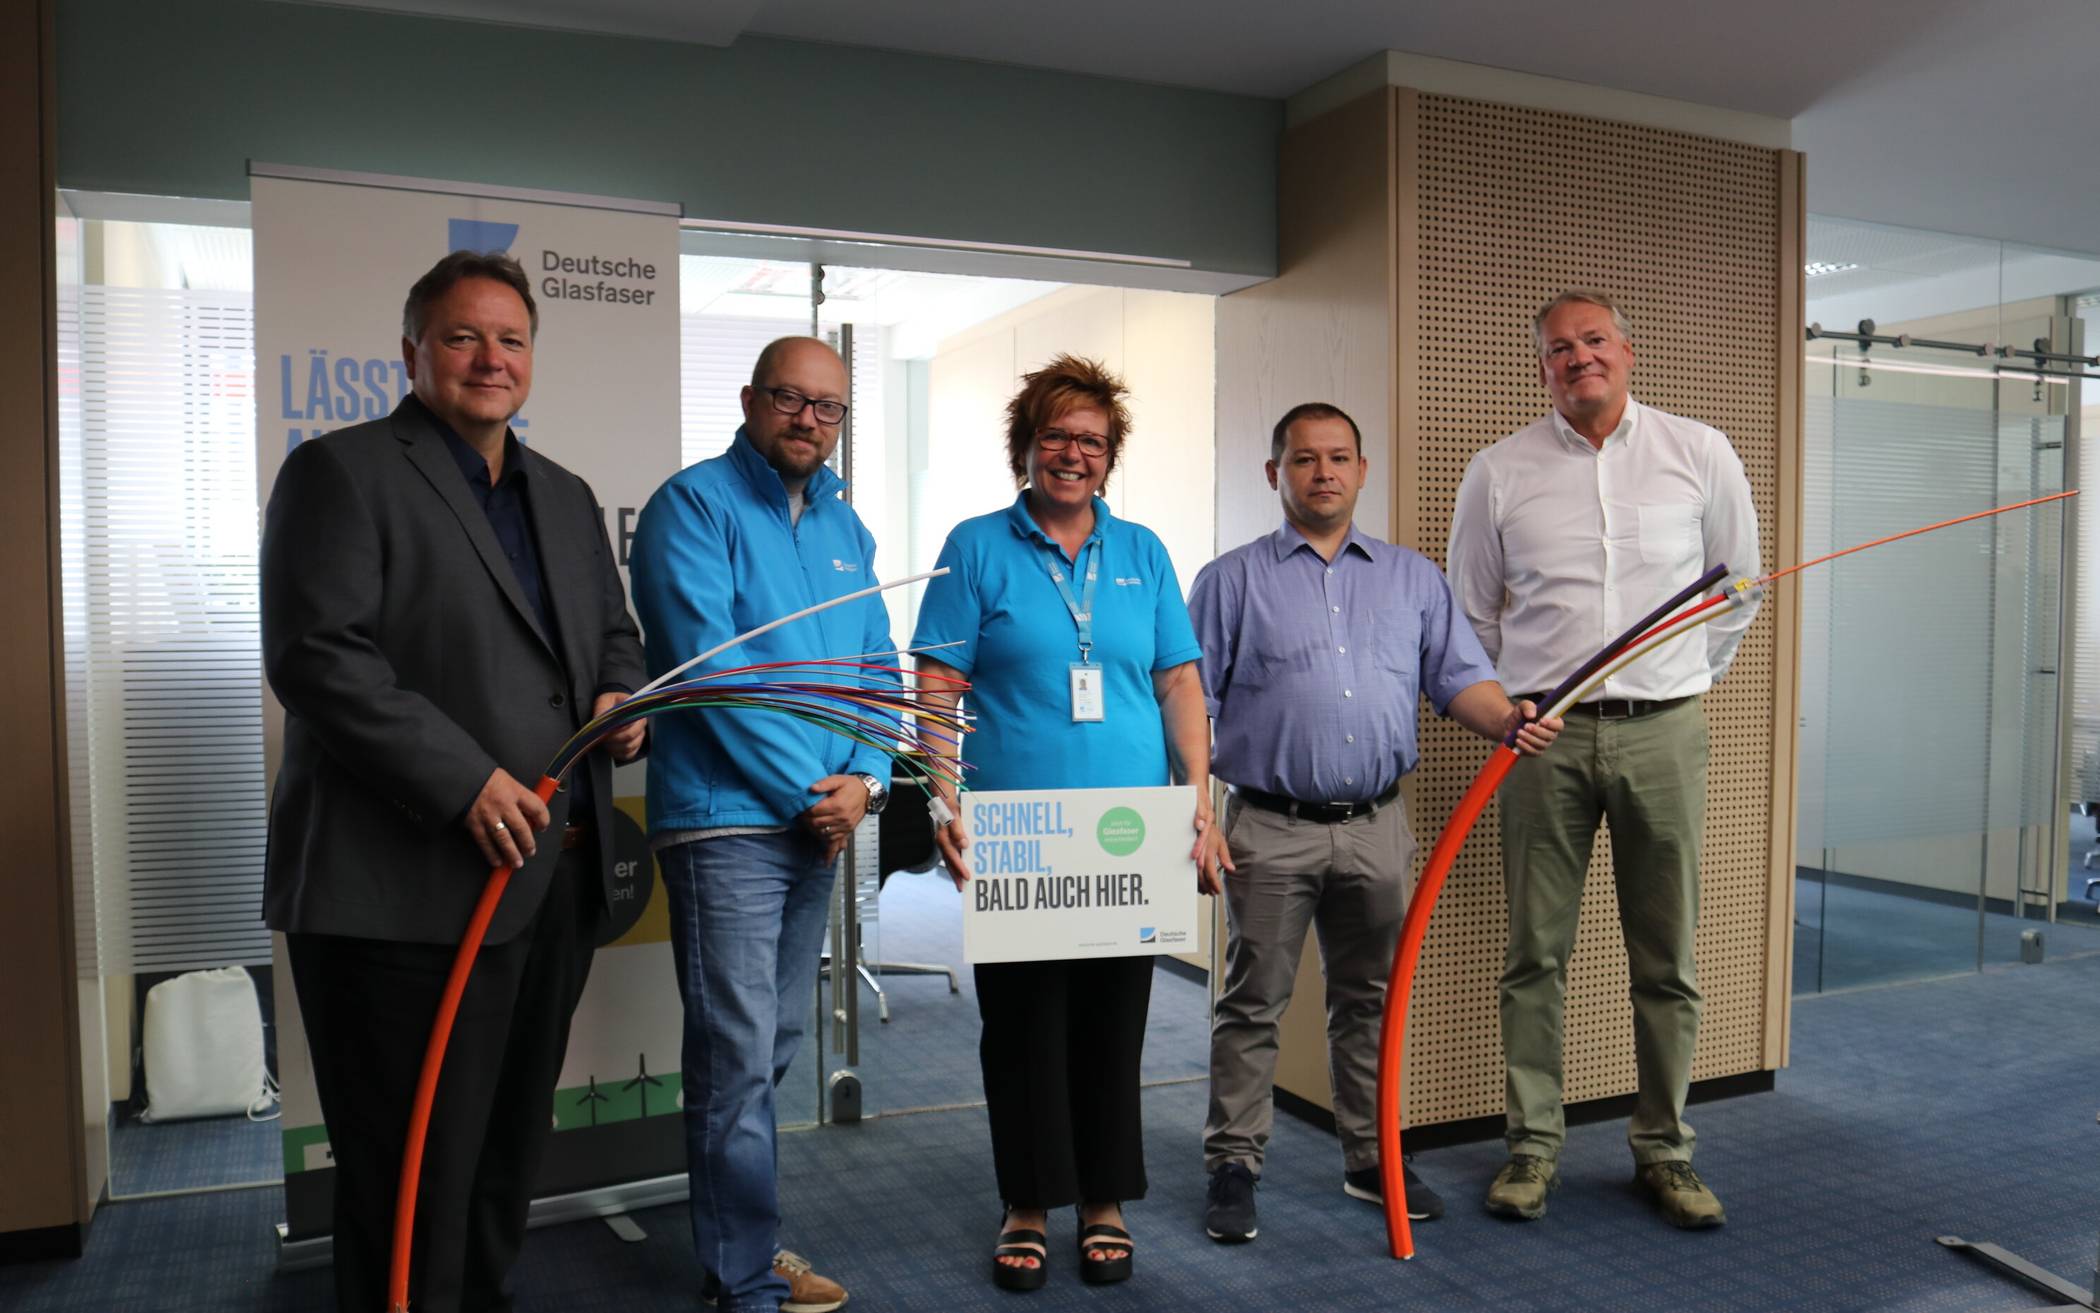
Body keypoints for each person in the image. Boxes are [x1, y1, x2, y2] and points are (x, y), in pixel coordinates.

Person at [261, 250, 646, 1313]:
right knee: (409, 1171)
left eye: (511, 339)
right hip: (401, 891)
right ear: (412, 352)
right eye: (463, 336)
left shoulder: (563, 496)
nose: (491, 358)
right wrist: (465, 779)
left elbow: (616, 641)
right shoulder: (340, 471)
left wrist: (620, 703)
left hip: (546, 887)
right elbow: (318, 656)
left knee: (503, 1157)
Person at [1189, 402, 1561, 1245]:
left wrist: (1509, 718)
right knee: (1253, 1003)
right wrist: (1197, 811)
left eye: (1339, 457)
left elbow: (1458, 680)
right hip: (1268, 827)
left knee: (1371, 1002)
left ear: (1363, 470)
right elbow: (1190, 707)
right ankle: (1233, 1164)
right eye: (1305, 458)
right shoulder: (1231, 580)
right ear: (1274, 473)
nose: (1323, 472)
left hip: (1377, 827)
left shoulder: (1412, 578)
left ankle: (1370, 1160)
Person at [1445, 290, 1762, 1229]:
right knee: (1535, 952)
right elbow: (1471, 614)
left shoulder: (1699, 450)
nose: (1578, 358)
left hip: (1667, 728)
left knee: (1667, 954)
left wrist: (1678, 678)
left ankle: (1664, 1150)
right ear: (1540, 368)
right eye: (1558, 349)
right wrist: (1515, 704)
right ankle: (1532, 1149)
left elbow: (1739, 588)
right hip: (1544, 734)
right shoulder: (1499, 470)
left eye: (1593, 341)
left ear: (1627, 349)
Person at [911, 355, 1221, 1292]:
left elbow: (1177, 680)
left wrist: (1202, 800)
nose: (1072, 454)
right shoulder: (976, 546)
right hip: (1019, 829)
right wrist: (942, 795)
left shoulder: (1144, 554)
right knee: (1022, 1023)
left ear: (1109, 455)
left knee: (1113, 1018)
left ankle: (1104, 1199)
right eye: (1056, 436)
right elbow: (936, 681)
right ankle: (1028, 1202)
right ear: (1026, 446)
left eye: (1090, 439)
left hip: (1131, 829)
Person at [629, 336, 891, 1313]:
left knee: (772, 1037)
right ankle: (744, 1275)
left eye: (828, 407)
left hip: (817, 818)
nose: (809, 420)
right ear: (751, 399)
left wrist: (866, 778)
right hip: (727, 821)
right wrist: (814, 792)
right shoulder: (692, 505)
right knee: (738, 1050)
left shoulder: (843, 523)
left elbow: (878, 664)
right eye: (791, 399)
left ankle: (744, 1237)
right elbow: (709, 671)